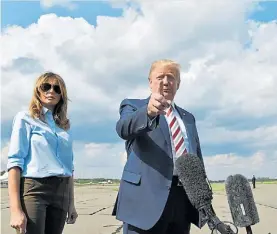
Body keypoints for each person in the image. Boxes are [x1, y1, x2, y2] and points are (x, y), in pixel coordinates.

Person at [114, 59, 204, 234]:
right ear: (150, 82)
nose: (165, 82)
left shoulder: (188, 117)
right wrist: (148, 112)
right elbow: (123, 128)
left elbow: (196, 155)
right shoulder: (133, 105)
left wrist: (201, 194)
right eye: (160, 77)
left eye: (171, 77)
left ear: (178, 84)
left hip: (182, 200)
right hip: (145, 199)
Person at [7, 72, 78, 234]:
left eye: (56, 88)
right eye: (46, 86)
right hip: (35, 189)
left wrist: (71, 204)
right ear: (38, 91)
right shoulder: (25, 119)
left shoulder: (64, 127)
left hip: (62, 191)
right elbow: (15, 163)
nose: (51, 91)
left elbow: (69, 168)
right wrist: (15, 210)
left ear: (62, 94)